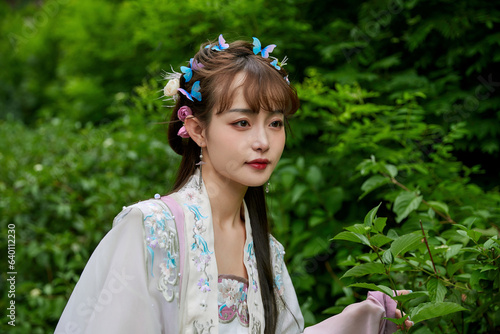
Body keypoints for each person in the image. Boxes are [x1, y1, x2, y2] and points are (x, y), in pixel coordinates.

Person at [55, 35, 412, 334]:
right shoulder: (152, 229)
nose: (263, 141)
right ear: (197, 129)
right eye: (242, 123)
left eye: (275, 123)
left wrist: (366, 318)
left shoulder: (267, 252)